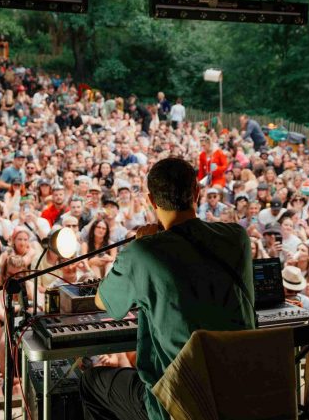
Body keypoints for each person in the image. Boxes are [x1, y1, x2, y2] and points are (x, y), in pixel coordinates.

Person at [80, 157, 255, 420]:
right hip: (240, 390)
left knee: (90, 383)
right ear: (197, 192)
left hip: (176, 402)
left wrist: (141, 246)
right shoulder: (237, 238)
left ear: (151, 201)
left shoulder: (144, 252)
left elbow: (103, 302)